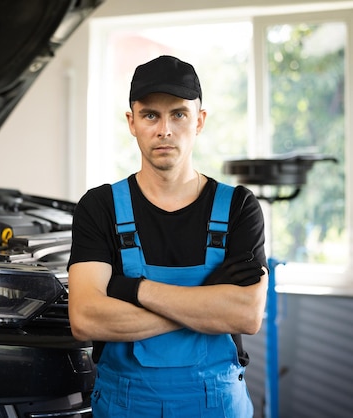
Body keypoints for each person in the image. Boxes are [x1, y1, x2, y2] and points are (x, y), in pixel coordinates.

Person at [67, 55, 269, 417]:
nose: (165, 129)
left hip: (217, 405)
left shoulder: (239, 207)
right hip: (124, 405)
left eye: (178, 114)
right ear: (131, 122)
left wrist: (132, 290)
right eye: (150, 115)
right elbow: (85, 318)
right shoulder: (100, 208)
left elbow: (247, 316)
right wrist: (207, 303)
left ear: (200, 121)